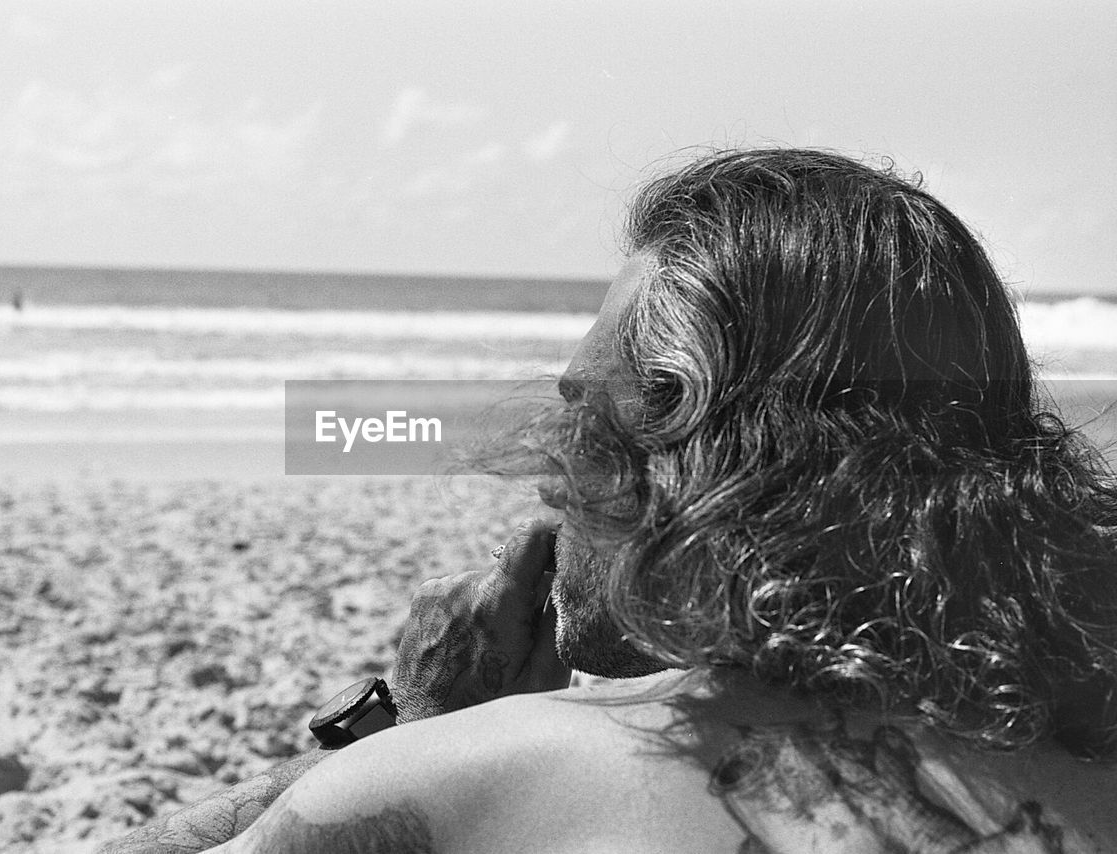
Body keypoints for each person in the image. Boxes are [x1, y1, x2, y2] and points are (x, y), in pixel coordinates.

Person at [101, 149, 1117, 854]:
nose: (549, 473)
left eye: (583, 409)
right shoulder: (1083, 776)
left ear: (688, 442)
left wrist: (407, 730)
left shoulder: (518, 766)